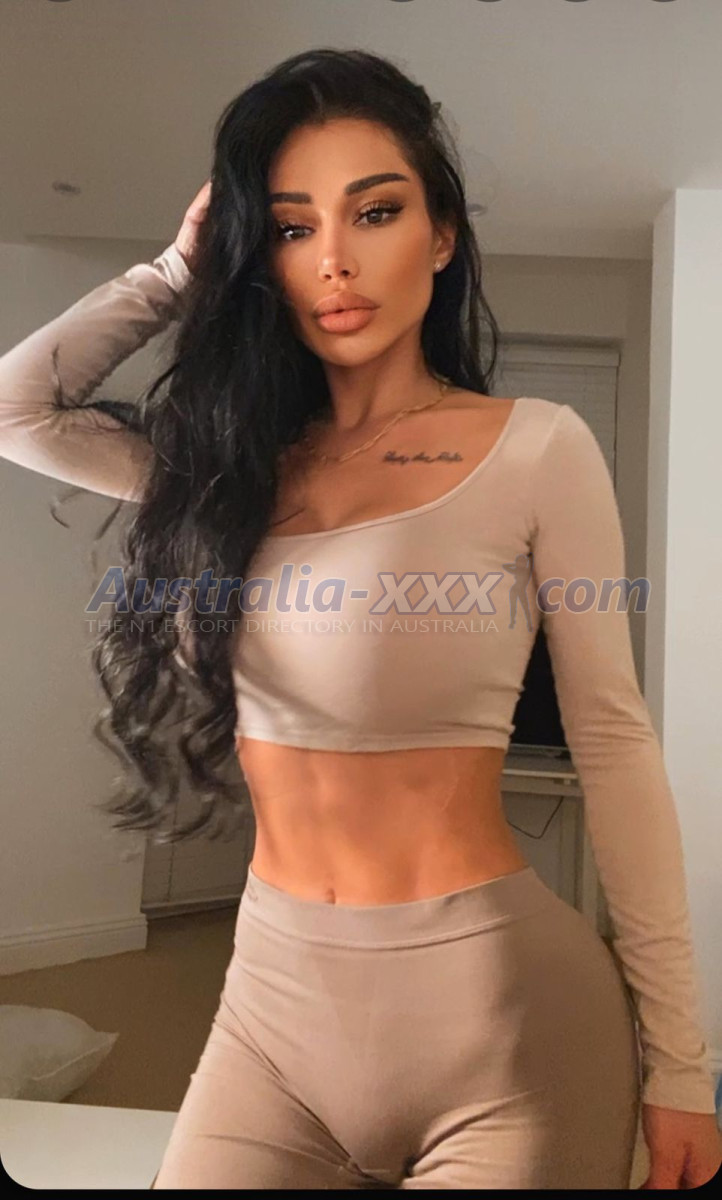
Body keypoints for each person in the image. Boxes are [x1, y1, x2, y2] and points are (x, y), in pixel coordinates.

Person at [1, 48, 719, 1191]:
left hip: (501, 1021)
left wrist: (681, 1061)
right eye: (291, 228)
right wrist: (177, 270)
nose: (332, 259)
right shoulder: (228, 470)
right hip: (271, 1005)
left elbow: (615, 745)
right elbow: (19, 408)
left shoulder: (536, 448)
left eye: (374, 212)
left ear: (439, 235)